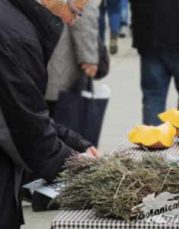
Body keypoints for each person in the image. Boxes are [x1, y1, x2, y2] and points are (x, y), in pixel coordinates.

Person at [0, 0, 100, 228]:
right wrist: (77, 166)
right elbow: (26, 126)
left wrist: (75, 143)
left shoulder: (16, 22)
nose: (73, 21)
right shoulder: (15, 36)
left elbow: (23, 109)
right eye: (76, 12)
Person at [46, 0, 99, 117]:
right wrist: (89, 59)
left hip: (42, 64)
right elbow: (83, 18)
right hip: (62, 68)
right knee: (65, 123)